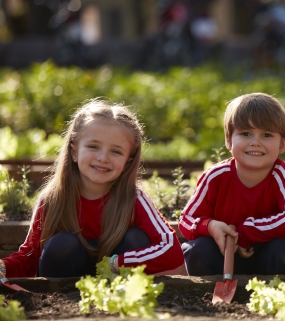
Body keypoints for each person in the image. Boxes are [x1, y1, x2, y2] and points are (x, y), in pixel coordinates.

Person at [0, 100, 186, 278]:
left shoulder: (134, 199)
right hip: (63, 289)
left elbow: (171, 250)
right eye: (93, 146)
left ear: (128, 160)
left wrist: (118, 263)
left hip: (116, 285)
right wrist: (2, 268)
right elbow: (29, 257)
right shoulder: (53, 199)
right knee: (61, 244)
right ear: (74, 152)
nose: (103, 158)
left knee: (136, 239)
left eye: (116, 151)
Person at [179, 92, 285, 276]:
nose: (255, 142)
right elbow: (186, 219)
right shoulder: (216, 176)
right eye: (246, 133)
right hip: (225, 256)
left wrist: (246, 232)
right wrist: (210, 226)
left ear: (282, 144)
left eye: (266, 135)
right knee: (198, 249)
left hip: (270, 259)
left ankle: (280, 296)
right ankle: (209, 296)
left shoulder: (283, 175)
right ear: (228, 140)